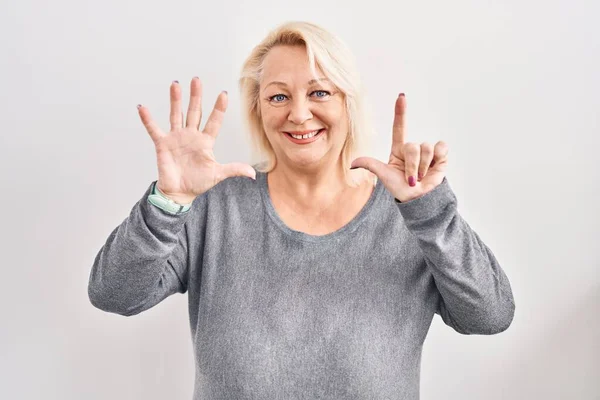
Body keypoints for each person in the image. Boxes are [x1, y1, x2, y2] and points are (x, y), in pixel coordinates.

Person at [88, 21, 515, 400]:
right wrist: (169, 200)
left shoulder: (410, 214)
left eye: (319, 92)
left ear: (347, 101)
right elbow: (114, 294)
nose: (299, 113)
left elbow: (490, 315)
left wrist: (430, 211)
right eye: (278, 96)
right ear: (259, 110)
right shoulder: (217, 206)